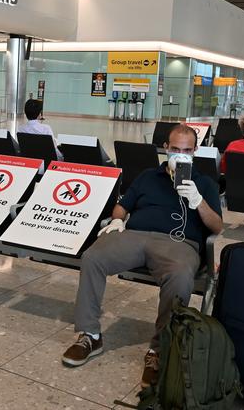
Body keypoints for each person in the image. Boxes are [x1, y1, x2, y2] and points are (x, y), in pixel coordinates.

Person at [61, 124, 223, 389]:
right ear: (166, 149)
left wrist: (198, 201)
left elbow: (216, 227)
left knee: (181, 276)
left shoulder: (206, 183)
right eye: (175, 150)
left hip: (178, 243)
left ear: (194, 152)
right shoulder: (149, 176)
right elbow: (123, 206)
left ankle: (160, 349)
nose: (179, 155)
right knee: (93, 257)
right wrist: (117, 220)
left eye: (186, 150)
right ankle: (90, 334)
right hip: (135, 235)